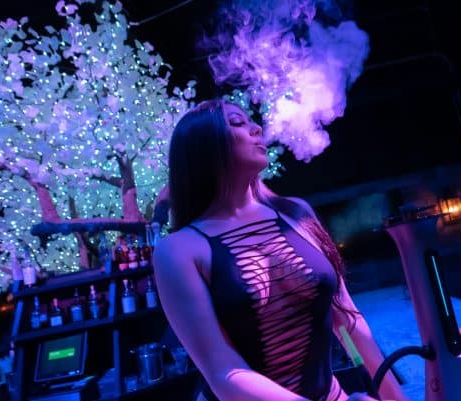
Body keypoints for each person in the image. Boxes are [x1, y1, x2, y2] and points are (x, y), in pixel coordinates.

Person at [153, 99, 412, 401]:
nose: (256, 128)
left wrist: (396, 398)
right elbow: (224, 372)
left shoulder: (296, 212)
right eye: (237, 122)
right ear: (203, 148)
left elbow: (348, 317)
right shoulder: (178, 250)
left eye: (251, 120)